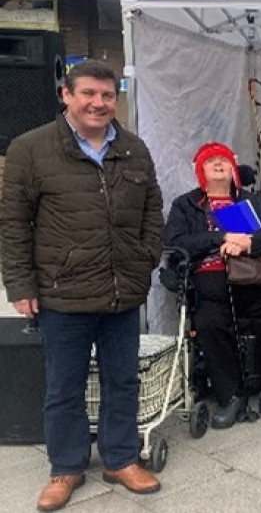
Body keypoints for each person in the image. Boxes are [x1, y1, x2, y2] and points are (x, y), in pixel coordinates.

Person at [0, 60, 164, 510]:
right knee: (64, 386)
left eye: (107, 95)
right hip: (62, 291)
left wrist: (145, 258)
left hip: (121, 289)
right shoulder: (30, 149)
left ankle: (121, 458)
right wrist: (20, 284)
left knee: (122, 380)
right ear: (66, 95)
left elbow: (153, 208)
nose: (99, 103)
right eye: (89, 93)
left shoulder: (133, 148)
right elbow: (13, 223)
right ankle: (66, 467)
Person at [164, 142, 261, 429]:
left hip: (255, 276)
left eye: (224, 159)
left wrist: (250, 242)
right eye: (211, 161)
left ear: (234, 169)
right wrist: (220, 238)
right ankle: (230, 395)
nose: (219, 164)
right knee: (210, 323)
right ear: (201, 171)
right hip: (212, 281)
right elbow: (175, 243)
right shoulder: (186, 205)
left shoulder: (254, 202)